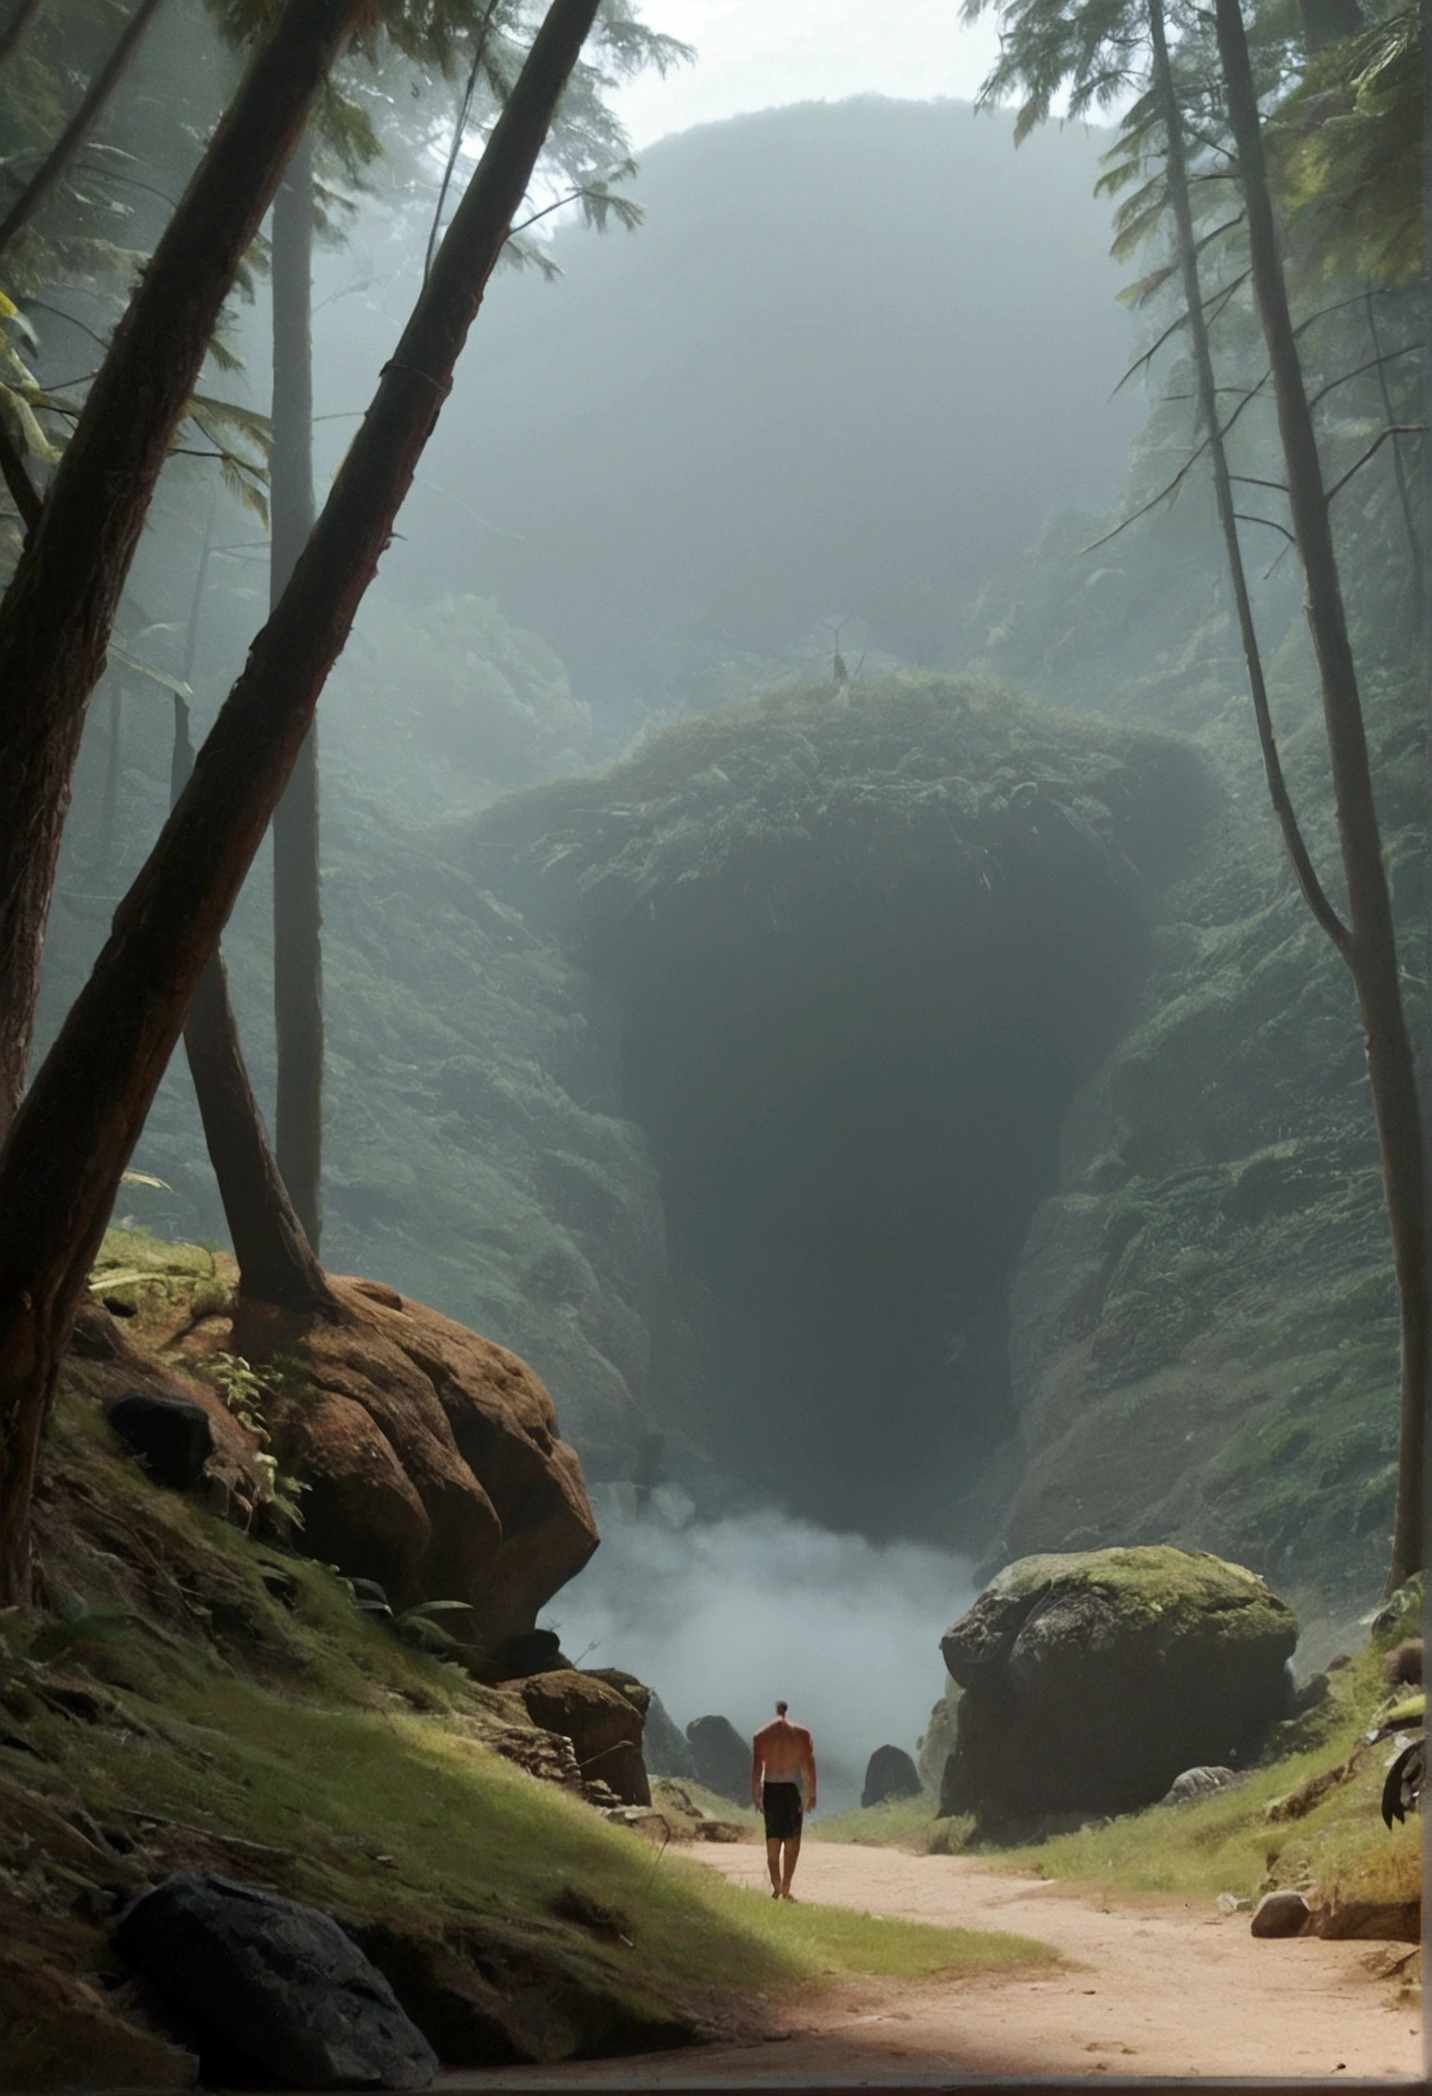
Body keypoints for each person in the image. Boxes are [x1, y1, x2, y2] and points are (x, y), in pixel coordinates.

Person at [750, 1700, 817, 1899]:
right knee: (792, 1841)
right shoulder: (801, 1735)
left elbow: (756, 1768)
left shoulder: (761, 1735)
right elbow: (808, 1768)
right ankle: (786, 1886)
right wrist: (811, 1793)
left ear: (776, 1710)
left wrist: (756, 1794)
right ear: (786, 1711)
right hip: (789, 1789)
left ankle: (776, 1885)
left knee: (772, 1838)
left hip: (771, 1788)